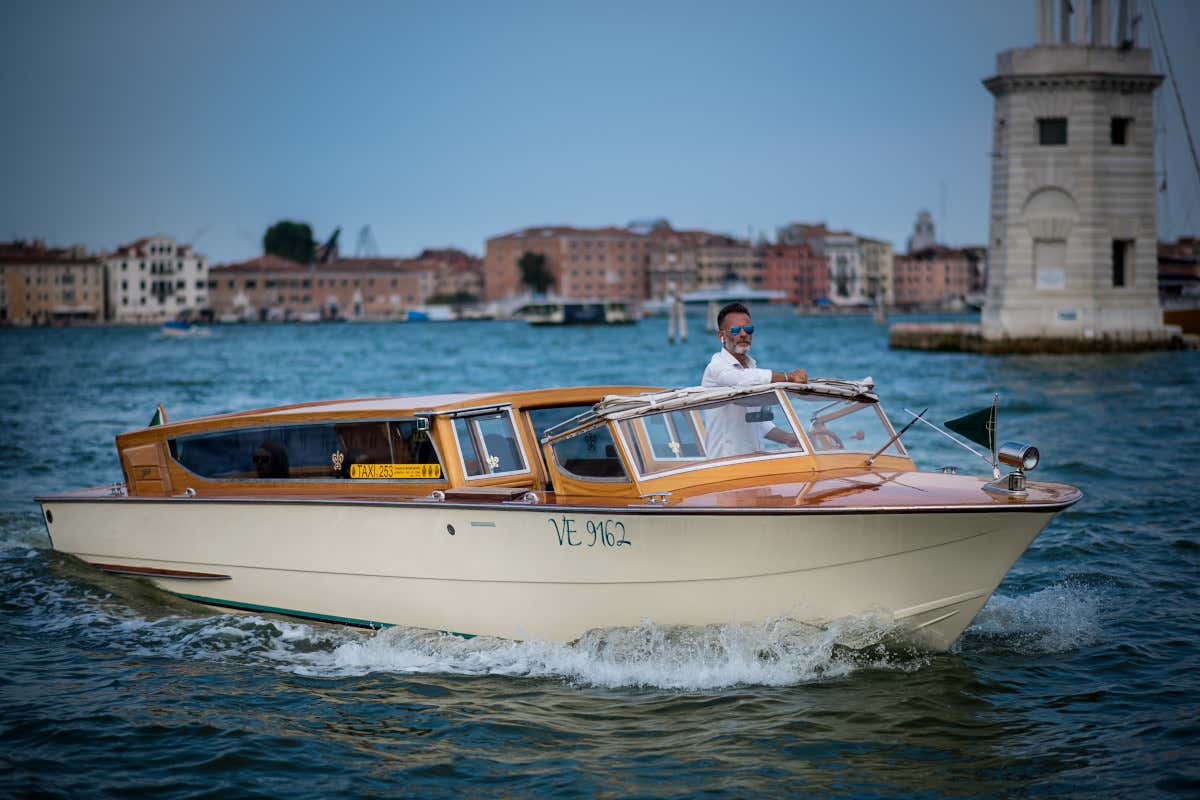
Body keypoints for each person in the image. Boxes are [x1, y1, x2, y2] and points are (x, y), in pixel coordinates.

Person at [700, 302, 807, 456]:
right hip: (724, 465)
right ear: (721, 336)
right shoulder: (716, 367)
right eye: (735, 330)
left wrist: (790, 439)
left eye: (748, 329)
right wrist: (788, 377)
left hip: (754, 462)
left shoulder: (751, 367)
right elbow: (742, 380)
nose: (743, 334)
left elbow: (755, 420)